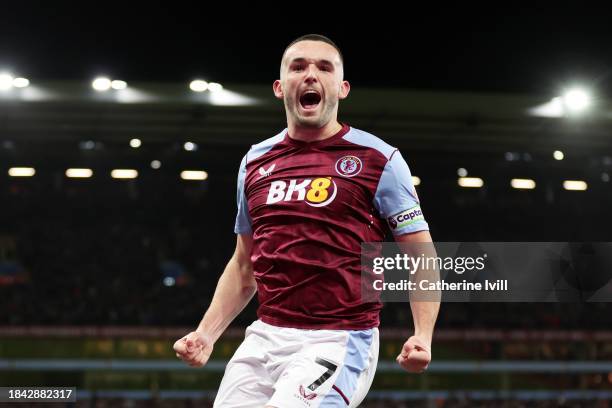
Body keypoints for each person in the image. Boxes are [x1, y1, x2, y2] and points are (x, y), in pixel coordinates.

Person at [174, 34, 439, 408]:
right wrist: (206, 333)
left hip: (339, 339)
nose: (310, 75)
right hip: (265, 336)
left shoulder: (380, 159)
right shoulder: (254, 162)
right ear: (280, 87)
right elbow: (242, 265)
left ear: (342, 88)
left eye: (324, 67)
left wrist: (423, 334)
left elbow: (422, 257)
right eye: (298, 67)